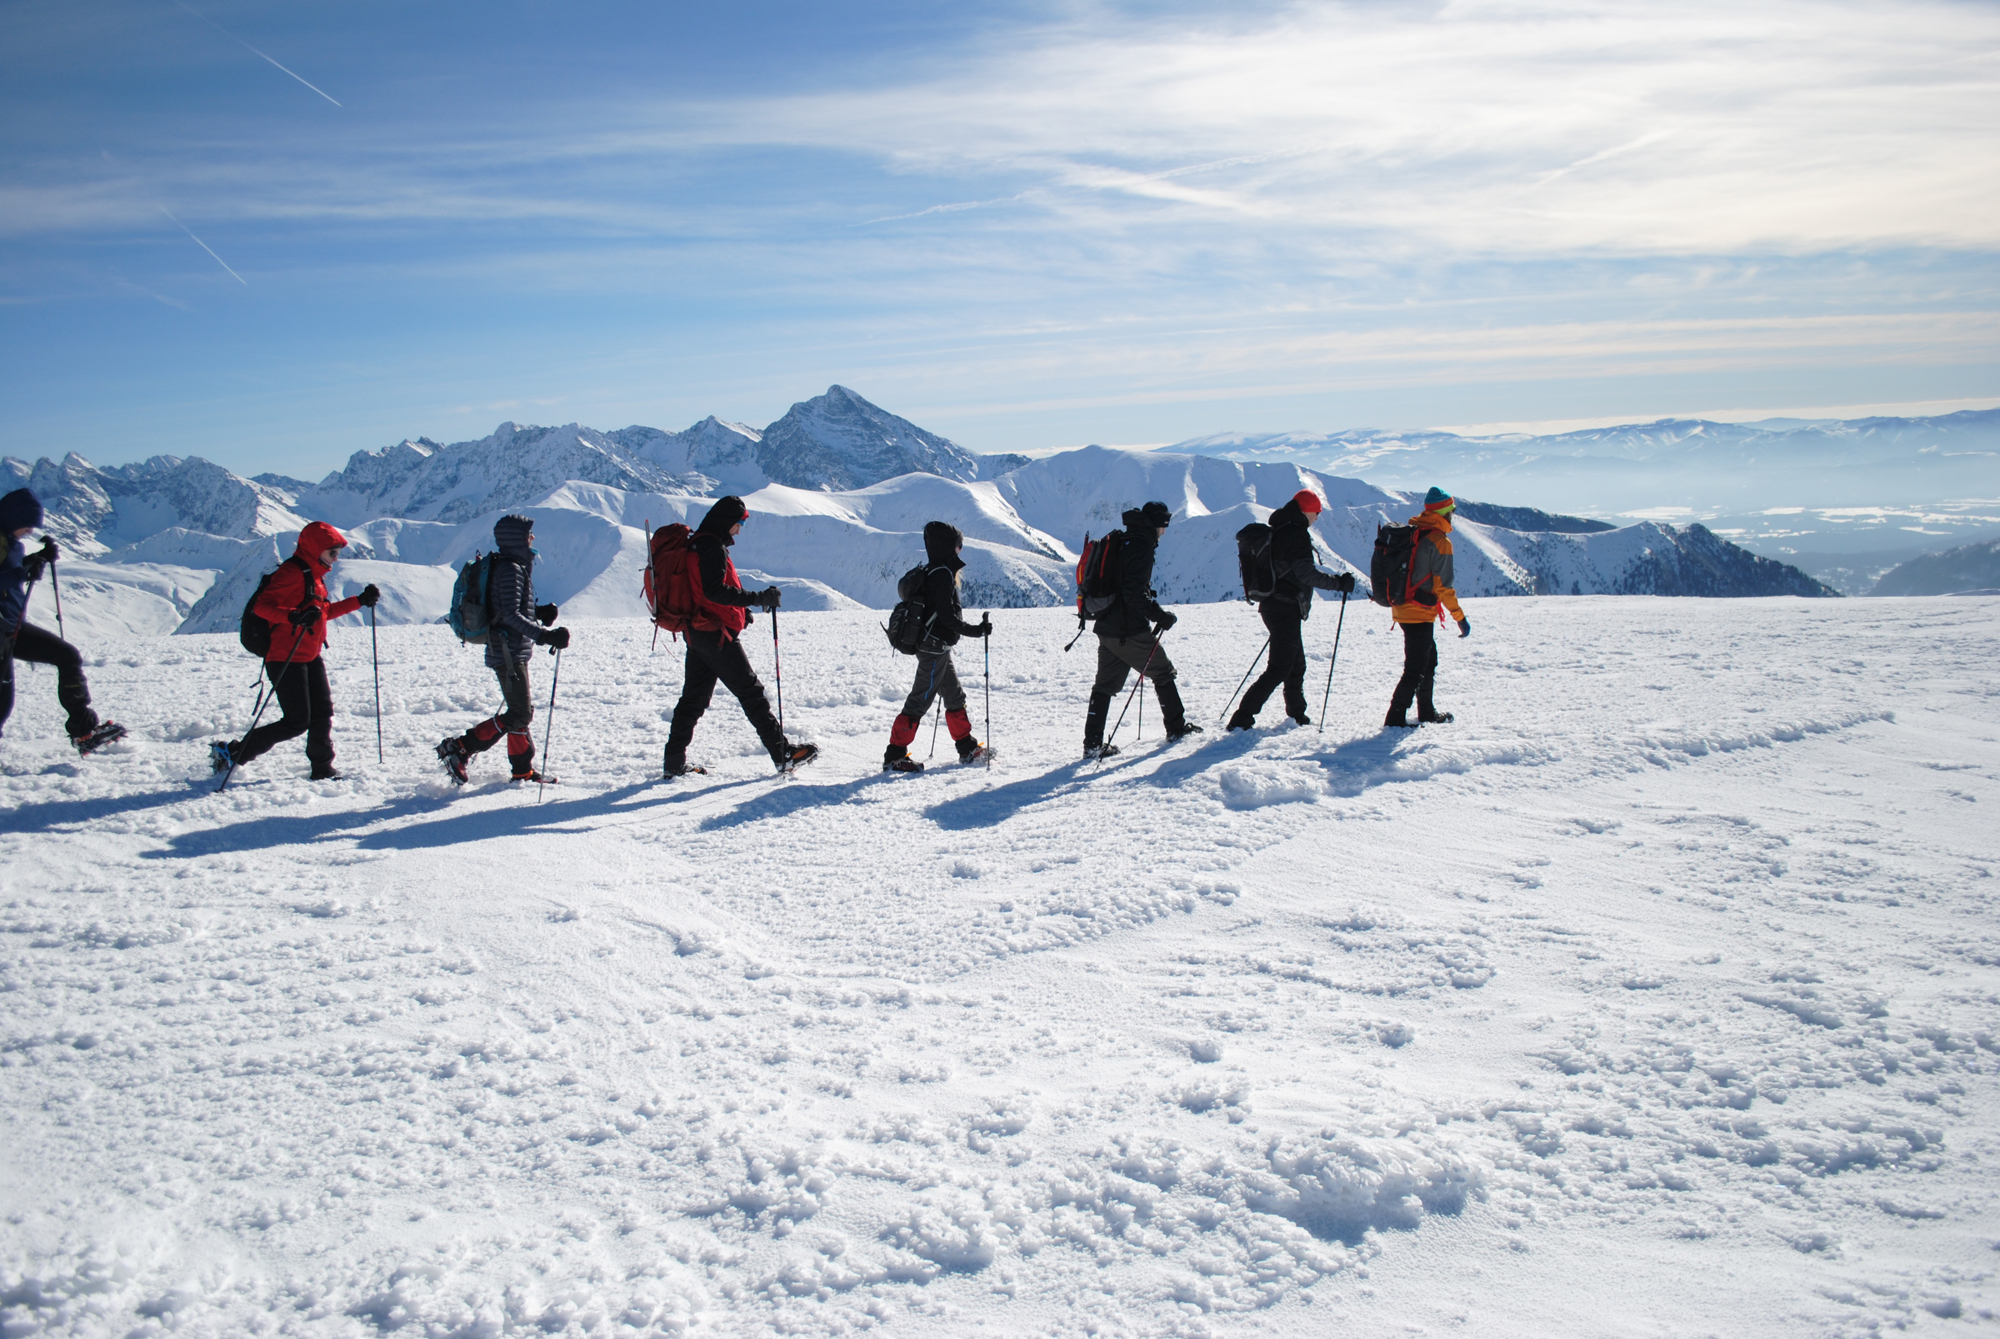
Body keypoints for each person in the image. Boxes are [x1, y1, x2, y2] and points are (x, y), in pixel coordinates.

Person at [661, 496, 818, 777]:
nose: (739, 529)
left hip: (698, 630)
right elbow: (714, 591)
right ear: (726, 520)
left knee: (693, 699)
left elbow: (705, 592)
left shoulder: (700, 542)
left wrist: (740, 612)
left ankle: (673, 762)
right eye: (739, 523)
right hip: (714, 635)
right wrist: (757, 598)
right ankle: (782, 754)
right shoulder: (711, 546)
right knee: (751, 693)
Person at [211, 521, 379, 780]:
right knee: (296, 721)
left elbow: (321, 614)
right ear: (315, 549)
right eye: (332, 552)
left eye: (337, 553)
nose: (336, 558)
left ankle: (323, 769)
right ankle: (232, 754)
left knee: (322, 713)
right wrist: (294, 617)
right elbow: (263, 607)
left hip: (310, 655)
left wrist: (359, 601)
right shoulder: (292, 573)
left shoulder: (315, 577)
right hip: (284, 657)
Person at [437, 514, 569, 785]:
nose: (532, 538)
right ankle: (461, 747)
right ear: (517, 538)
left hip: (510, 649)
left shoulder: (512, 566)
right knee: (520, 713)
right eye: (528, 534)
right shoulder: (511, 568)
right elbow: (509, 615)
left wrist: (539, 612)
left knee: (519, 711)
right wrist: (545, 636)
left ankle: (522, 771)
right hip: (507, 652)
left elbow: (509, 609)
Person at [0, 488, 124, 754]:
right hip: (2, 628)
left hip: (11, 627)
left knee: (67, 656)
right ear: (14, 518)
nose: (30, 531)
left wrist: (32, 563)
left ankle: (84, 730)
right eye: (29, 525)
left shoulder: (8, 542)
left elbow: (7, 575)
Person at [1228, 490, 1358, 731]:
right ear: (1307, 510)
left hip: (1275, 605)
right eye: (1317, 512)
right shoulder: (1295, 533)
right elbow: (1305, 573)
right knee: (1279, 667)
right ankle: (1242, 718)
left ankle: (1297, 715)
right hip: (1284, 607)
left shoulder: (1280, 529)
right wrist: (1339, 584)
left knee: (1295, 664)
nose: (1317, 517)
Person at [1083, 500, 1202, 759]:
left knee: (1103, 686)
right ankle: (1176, 729)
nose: (1165, 532)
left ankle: (1092, 745)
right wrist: (1161, 616)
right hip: (1128, 629)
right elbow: (1134, 593)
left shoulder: (1124, 540)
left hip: (1106, 625)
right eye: (1164, 526)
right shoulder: (1141, 545)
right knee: (1163, 672)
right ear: (1158, 524)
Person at [883, 521, 992, 773]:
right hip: (933, 648)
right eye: (958, 546)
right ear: (947, 546)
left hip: (936, 647)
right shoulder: (942, 573)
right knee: (919, 701)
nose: (959, 551)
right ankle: (894, 755)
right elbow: (947, 618)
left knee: (954, 696)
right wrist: (977, 630)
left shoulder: (935, 569)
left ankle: (967, 748)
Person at [1386, 487, 1469, 729]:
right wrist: (1459, 617)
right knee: (1415, 667)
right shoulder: (1439, 541)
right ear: (1445, 513)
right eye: (1451, 511)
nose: (1453, 515)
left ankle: (1426, 712)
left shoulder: (1415, 533)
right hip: (1419, 611)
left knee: (1428, 660)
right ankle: (1395, 719)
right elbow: (1444, 587)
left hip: (1403, 607)